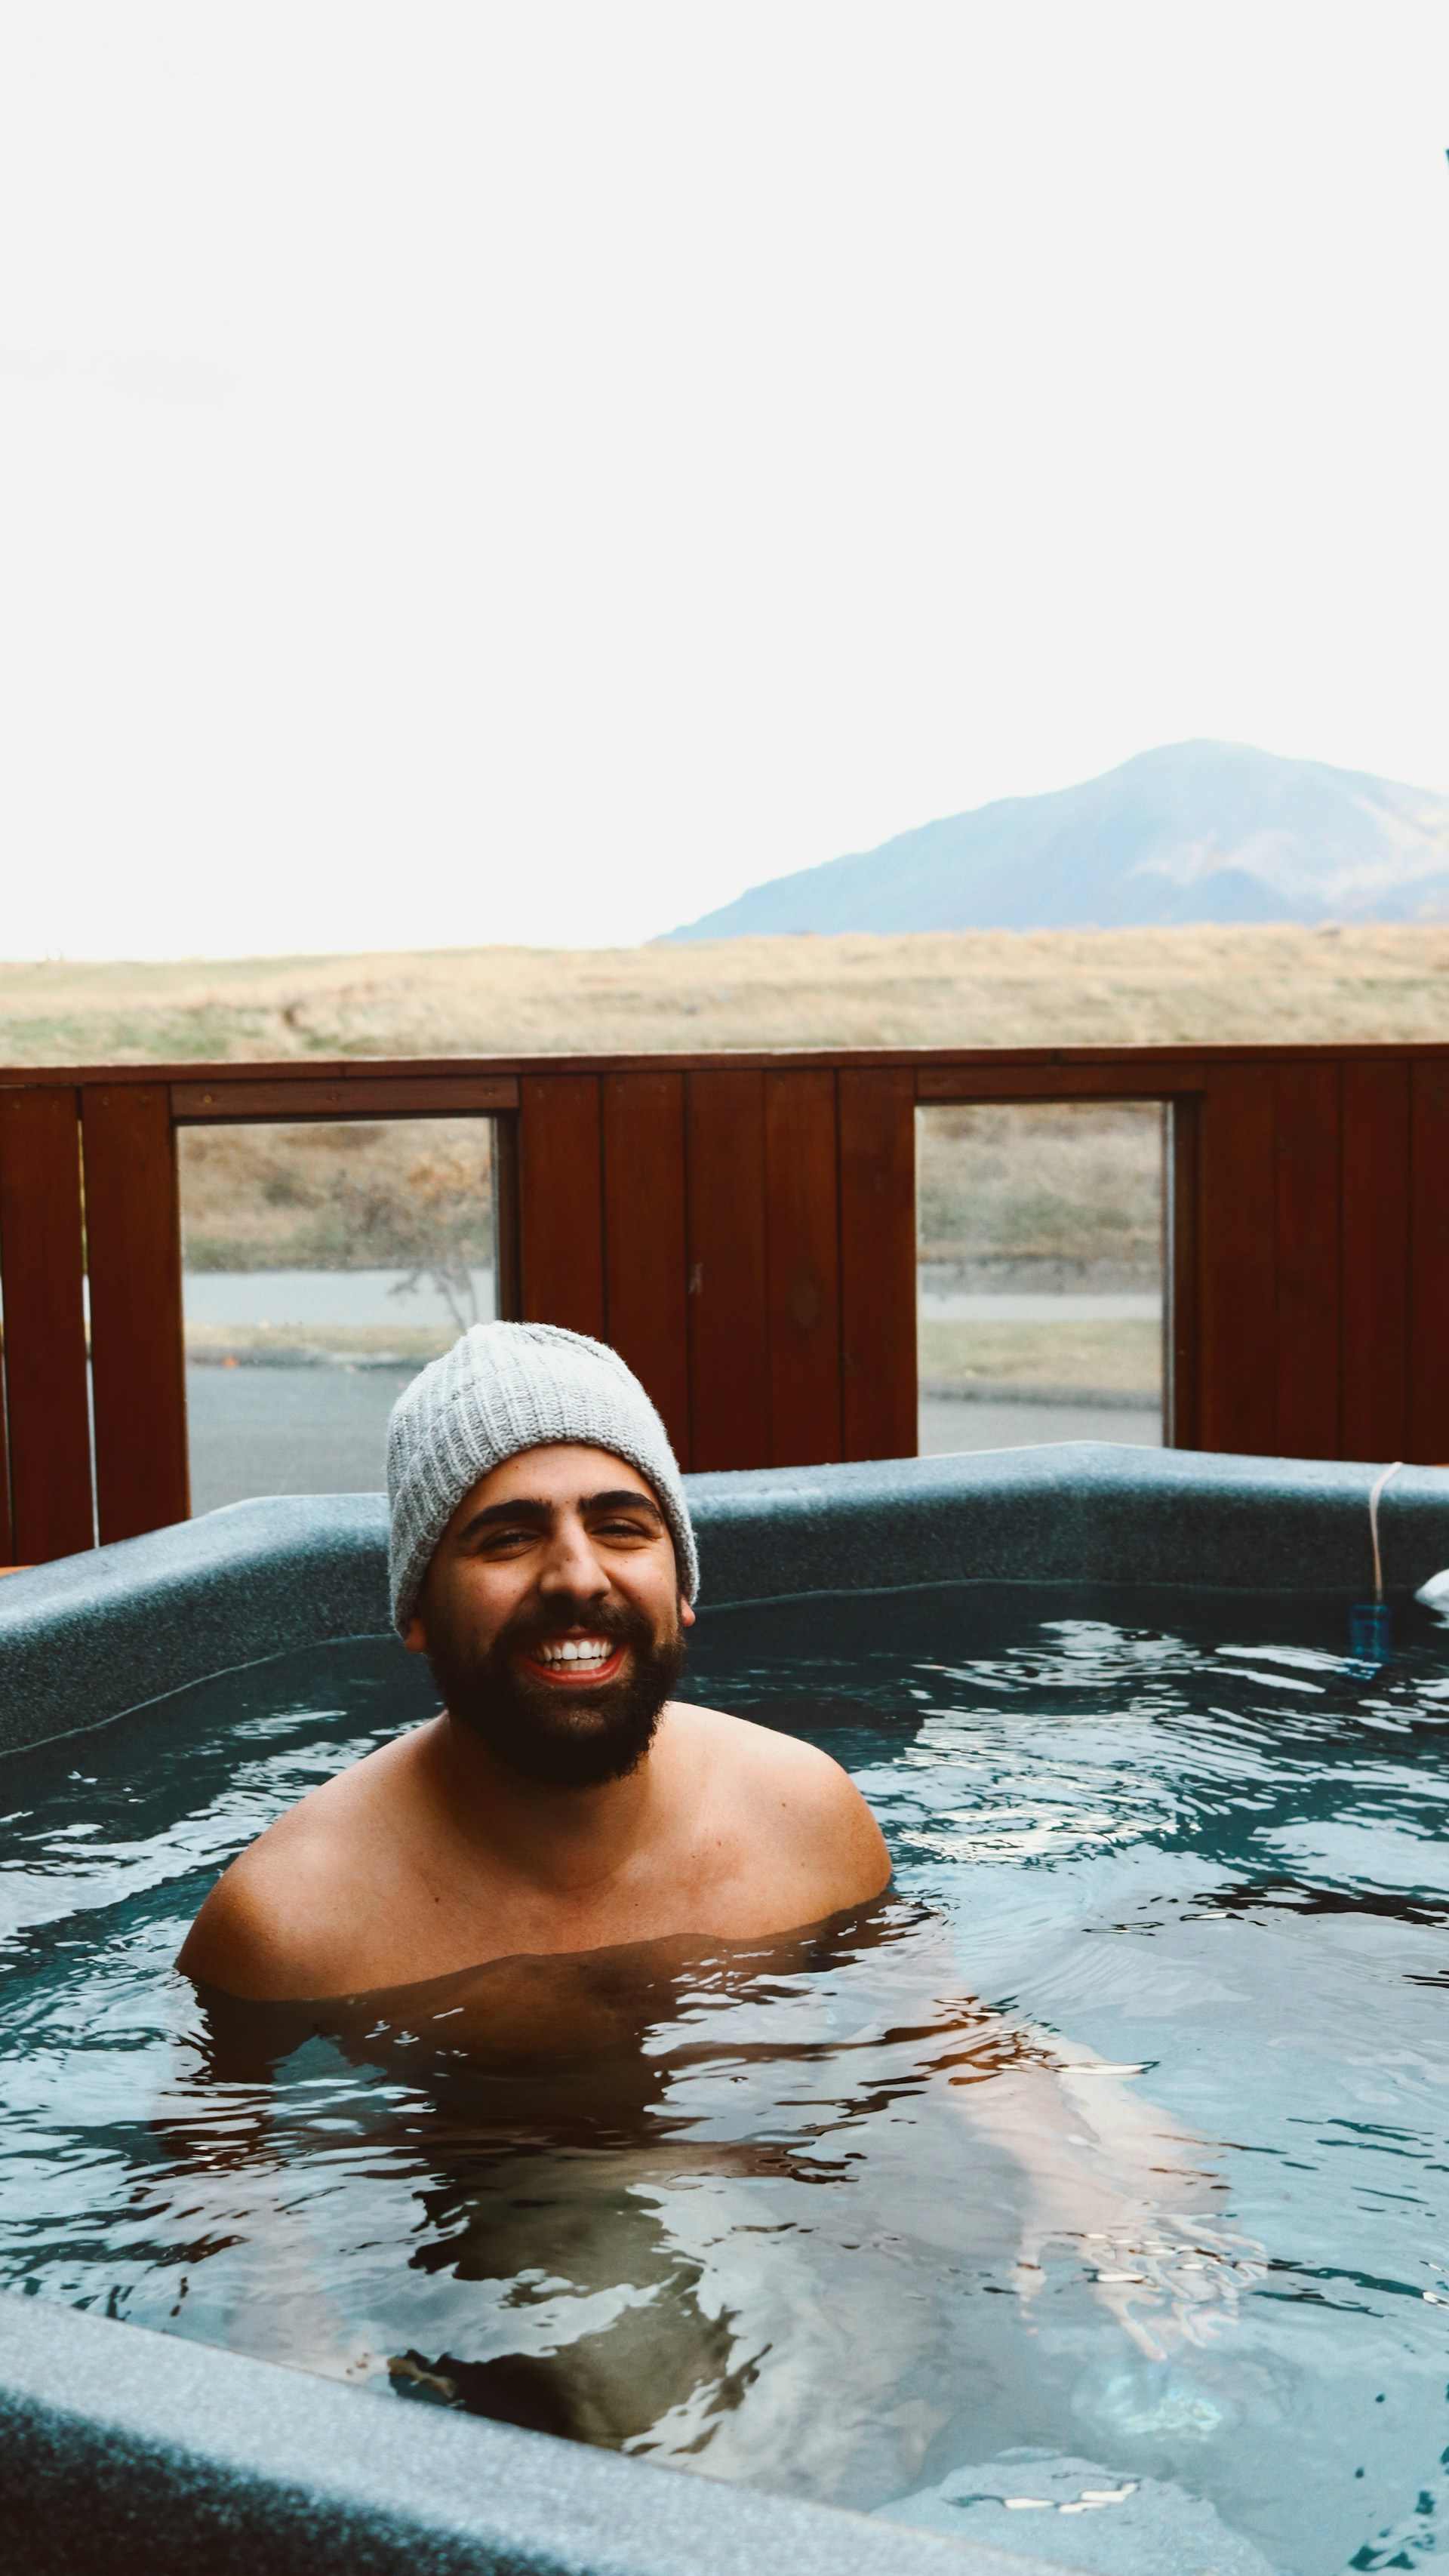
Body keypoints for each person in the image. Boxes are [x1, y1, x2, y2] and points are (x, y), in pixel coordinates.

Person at [179, 1322, 891, 2002]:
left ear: (681, 1588)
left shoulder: (806, 1821)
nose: (578, 1576)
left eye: (619, 1528)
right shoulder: (288, 1925)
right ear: (418, 1609)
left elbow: (946, 2060)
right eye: (510, 1537)